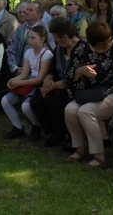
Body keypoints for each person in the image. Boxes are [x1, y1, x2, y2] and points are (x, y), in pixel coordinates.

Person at [64, 20, 113, 168]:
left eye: (109, 39)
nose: (108, 43)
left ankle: (99, 156)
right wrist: (80, 71)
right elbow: (69, 76)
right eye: (103, 43)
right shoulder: (81, 50)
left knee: (86, 111)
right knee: (70, 110)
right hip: (91, 93)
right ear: (92, 42)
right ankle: (79, 149)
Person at [31, 18, 86, 147]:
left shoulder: (83, 50)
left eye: (56, 37)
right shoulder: (59, 49)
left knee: (53, 103)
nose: (55, 40)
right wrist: (48, 79)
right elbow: (53, 70)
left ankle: (66, 136)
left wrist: (52, 86)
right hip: (57, 85)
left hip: (75, 88)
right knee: (36, 101)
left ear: (66, 37)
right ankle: (54, 132)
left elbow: (75, 78)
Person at [1, 26, 53, 140]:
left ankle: (36, 127)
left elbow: (39, 79)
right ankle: (17, 127)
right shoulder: (28, 52)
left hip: (37, 85)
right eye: (28, 37)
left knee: (26, 106)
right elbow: (24, 73)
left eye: (33, 38)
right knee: (5, 101)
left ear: (42, 39)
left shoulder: (47, 54)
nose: (29, 40)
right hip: (28, 82)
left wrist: (19, 83)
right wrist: (14, 80)